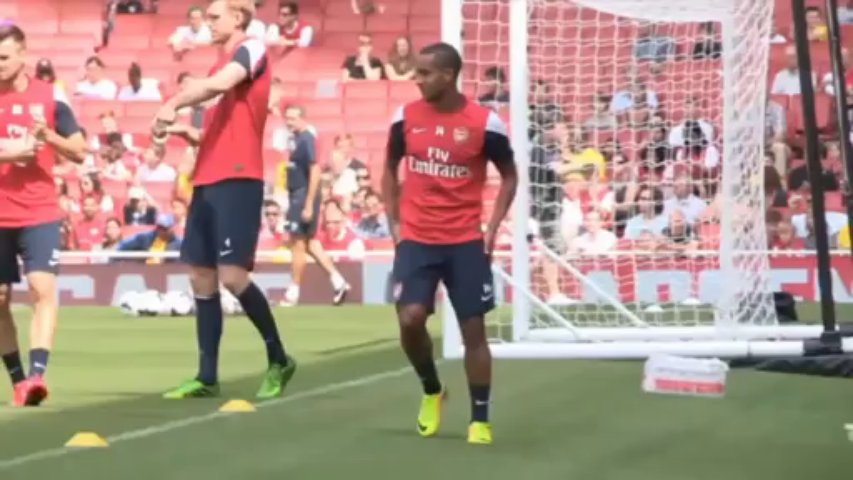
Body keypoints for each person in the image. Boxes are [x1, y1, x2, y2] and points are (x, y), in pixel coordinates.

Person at [152, 0, 296, 400]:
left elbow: (216, 87)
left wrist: (173, 103)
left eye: (215, 17)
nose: (208, 23)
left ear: (239, 16)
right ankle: (207, 376)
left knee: (232, 276)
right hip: (207, 178)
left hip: (238, 177)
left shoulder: (251, 49)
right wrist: (184, 131)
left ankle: (279, 357)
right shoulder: (219, 65)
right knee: (201, 275)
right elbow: (218, 127)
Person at [381, 42, 517, 445]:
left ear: (448, 75)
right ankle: (432, 389)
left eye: (424, 73)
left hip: (464, 241)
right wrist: (394, 222)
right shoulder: (405, 117)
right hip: (417, 239)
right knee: (409, 319)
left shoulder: (485, 123)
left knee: (473, 329)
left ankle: (480, 420)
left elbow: (509, 175)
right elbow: (389, 167)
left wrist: (492, 228)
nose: (416, 79)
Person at [0, 24, 87, 406]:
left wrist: (47, 136)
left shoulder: (51, 97)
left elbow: (79, 150)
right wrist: (10, 153)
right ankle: (18, 380)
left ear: (23, 55)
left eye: (4, 57)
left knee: (41, 287)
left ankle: (37, 375)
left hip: (39, 210)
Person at [281, 104, 351, 306]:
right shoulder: (295, 139)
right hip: (297, 194)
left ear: (302, 118)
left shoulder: (307, 139)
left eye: (293, 118)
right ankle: (338, 281)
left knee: (298, 244)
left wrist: (309, 203)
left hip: (303, 196)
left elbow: (315, 170)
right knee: (310, 243)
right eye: (287, 118)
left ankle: (293, 292)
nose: (289, 122)